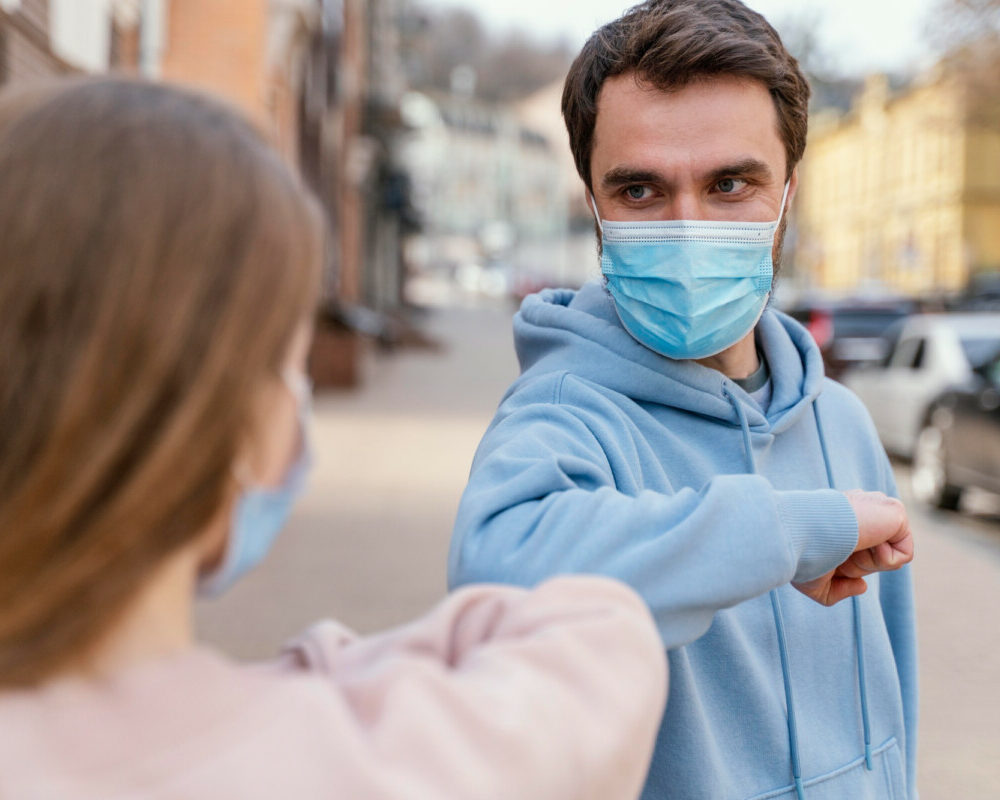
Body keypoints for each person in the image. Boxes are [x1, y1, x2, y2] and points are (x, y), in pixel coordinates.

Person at [0, 77, 668, 800]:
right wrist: (326, 676)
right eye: (292, 366)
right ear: (233, 421)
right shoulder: (350, 763)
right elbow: (605, 638)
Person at [449, 2, 917, 798]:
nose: (689, 225)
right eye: (640, 190)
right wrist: (784, 530)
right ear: (594, 204)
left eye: (730, 183)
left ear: (788, 195)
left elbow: (895, 696)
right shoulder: (564, 415)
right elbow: (495, 577)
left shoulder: (842, 422)